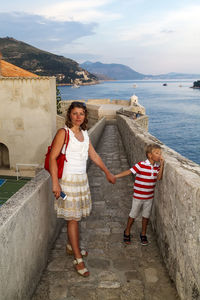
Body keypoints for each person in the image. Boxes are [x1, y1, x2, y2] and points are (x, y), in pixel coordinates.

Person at [49, 101, 115, 277]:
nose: (78, 117)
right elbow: (52, 158)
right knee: (72, 219)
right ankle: (78, 258)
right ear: (69, 114)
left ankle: (71, 246)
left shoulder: (85, 133)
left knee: (75, 217)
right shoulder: (63, 133)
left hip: (81, 180)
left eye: (82, 114)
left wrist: (107, 172)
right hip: (68, 181)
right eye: (75, 113)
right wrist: (55, 183)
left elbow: (93, 155)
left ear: (85, 116)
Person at [115, 143, 164, 245]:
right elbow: (129, 171)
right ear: (150, 155)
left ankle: (143, 234)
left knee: (146, 217)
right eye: (157, 153)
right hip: (138, 196)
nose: (160, 155)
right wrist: (115, 176)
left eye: (160, 153)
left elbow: (159, 178)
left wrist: (162, 165)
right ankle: (127, 231)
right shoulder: (141, 165)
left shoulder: (156, 167)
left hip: (149, 197)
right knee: (133, 215)